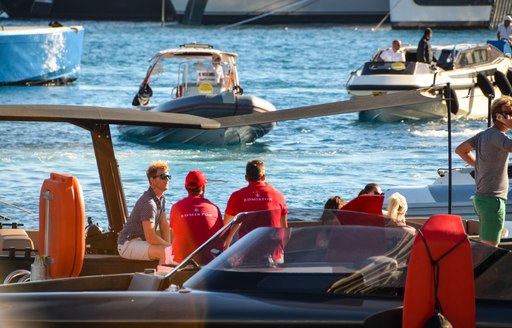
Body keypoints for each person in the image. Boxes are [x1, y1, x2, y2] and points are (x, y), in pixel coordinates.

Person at [455, 96, 512, 246]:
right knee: (489, 248)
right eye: (510, 112)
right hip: (492, 200)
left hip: (482, 199)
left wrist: (478, 166)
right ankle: (478, 269)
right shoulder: (497, 136)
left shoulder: (485, 134)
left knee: (490, 242)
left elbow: (461, 150)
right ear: (499, 116)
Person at [117, 161, 171, 264]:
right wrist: (169, 247)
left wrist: (168, 245)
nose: (167, 179)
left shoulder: (161, 198)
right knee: (164, 252)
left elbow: (164, 225)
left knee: (169, 250)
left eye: (168, 176)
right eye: (163, 176)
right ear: (152, 180)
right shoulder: (149, 203)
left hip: (141, 241)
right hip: (128, 244)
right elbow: (151, 238)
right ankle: (163, 279)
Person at [224, 159, 288, 237]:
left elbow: (226, 226)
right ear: (264, 177)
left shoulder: (237, 196)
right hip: (273, 247)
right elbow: (284, 230)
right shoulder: (278, 195)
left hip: (248, 247)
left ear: (246, 178)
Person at [169, 170, 223, 263]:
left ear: (186, 187)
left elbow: (174, 231)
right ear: (203, 187)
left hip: (181, 261)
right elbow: (221, 236)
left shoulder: (176, 208)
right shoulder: (214, 208)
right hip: (209, 261)